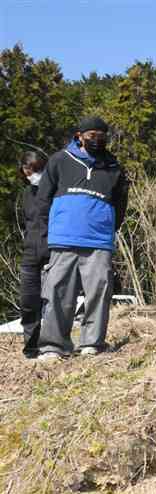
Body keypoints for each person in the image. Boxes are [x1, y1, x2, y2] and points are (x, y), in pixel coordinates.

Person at [35, 116, 130, 360]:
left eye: (102, 135)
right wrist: (42, 235)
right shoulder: (59, 160)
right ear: (79, 136)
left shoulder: (114, 168)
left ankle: (92, 344)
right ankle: (53, 346)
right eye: (91, 135)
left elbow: (121, 204)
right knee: (58, 292)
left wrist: (109, 227)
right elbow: (43, 200)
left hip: (98, 241)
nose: (97, 139)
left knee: (99, 291)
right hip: (63, 238)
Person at [17, 150, 49, 358]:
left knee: (52, 302)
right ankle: (31, 347)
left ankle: (51, 345)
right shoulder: (25, 194)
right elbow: (24, 222)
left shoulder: (55, 191)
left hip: (51, 252)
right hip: (29, 254)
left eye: (34, 170)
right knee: (28, 302)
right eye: (27, 172)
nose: (31, 175)